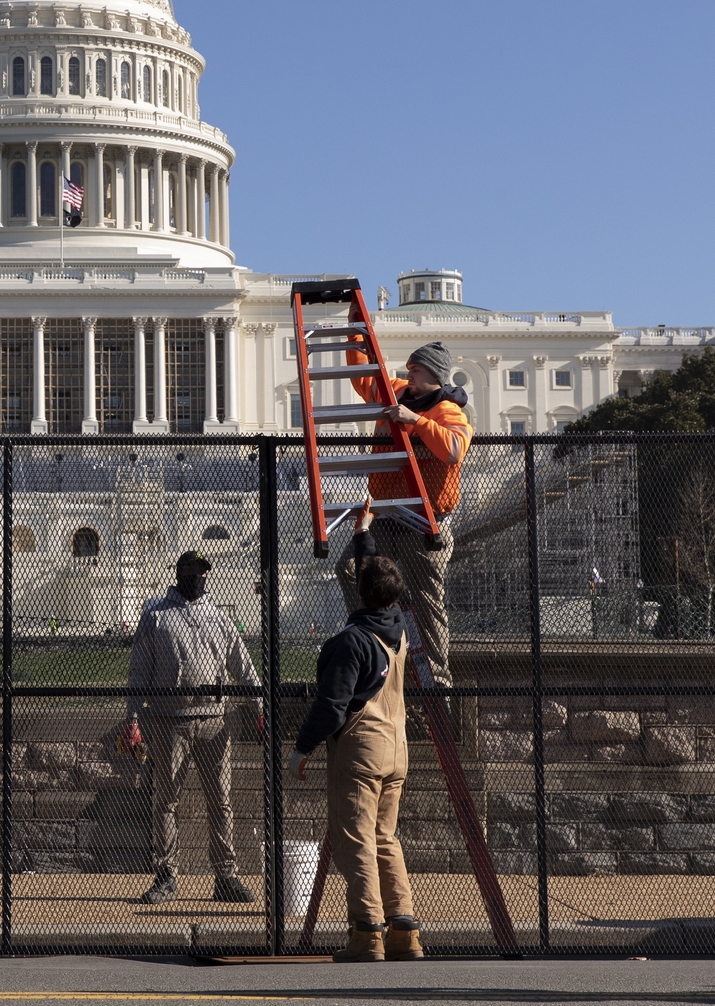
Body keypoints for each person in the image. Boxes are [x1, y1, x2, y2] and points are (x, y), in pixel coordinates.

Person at [288, 509, 423, 962]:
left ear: (362, 593)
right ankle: (405, 929)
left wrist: (302, 747)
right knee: (387, 837)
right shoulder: (398, 627)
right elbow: (378, 574)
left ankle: (368, 933)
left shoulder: (352, 641)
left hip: (362, 748)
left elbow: (331, 705)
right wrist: (363, 533)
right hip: (398, 747)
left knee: (358, 840)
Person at [124, 550, 261, 905]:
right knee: (166, 800)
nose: (199, 577)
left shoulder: (218, 616)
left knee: (221, 800)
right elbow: (138, 672)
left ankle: (225, 877)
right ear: (180, 573)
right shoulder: (155, 615)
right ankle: (167, 874)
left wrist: (259, 705)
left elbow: (242, 666)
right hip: (170, 722)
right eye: (192, 571)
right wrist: (133, 719)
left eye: (203, 572)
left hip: (214, 721)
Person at [340, 339, 470, 686]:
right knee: (351, 568)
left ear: (435, 375)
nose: (408, 374)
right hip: (387, 515)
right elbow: (364, 379)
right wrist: (356, 338)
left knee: (428, 599)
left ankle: (437, 677)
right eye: (409, 368)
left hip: (425, 523)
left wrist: (415, 421)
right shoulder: (397, 391)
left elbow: (454, 450)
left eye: (416, 369)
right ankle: (373, 645)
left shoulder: (449, 411)